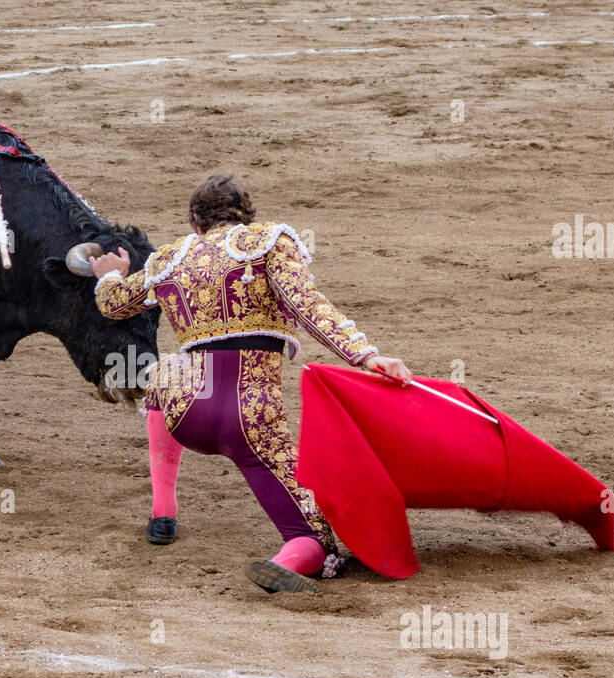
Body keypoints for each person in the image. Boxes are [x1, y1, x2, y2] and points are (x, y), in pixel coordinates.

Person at [91, 174, 411, 593]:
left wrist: (110, 275)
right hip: (250, 413)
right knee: (312, 539)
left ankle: (162, 511)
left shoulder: (170, 258)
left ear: (195, 220)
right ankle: (289, 558)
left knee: (164, 372)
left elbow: (113, 305)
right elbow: (308, 305)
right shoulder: (269, 243)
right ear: (246, 214)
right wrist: (366, 355)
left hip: (187, 408)